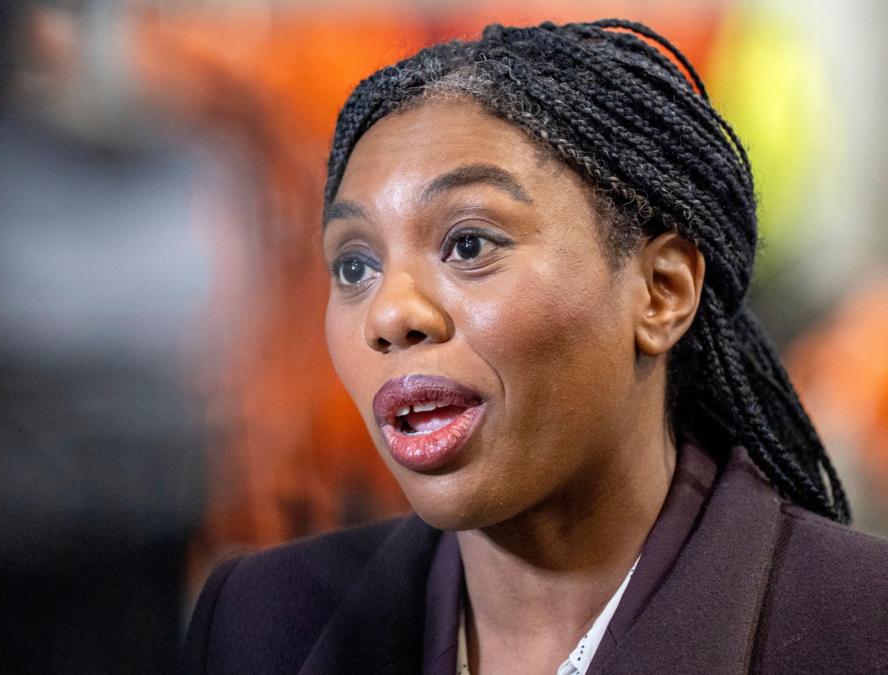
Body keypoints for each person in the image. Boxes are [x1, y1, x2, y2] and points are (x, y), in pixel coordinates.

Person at [179, 19, 888, 675]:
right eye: (356, 265)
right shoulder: (261, 621)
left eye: (468, 244)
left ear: (661, 291)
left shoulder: (860, 628)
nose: (389, 315)